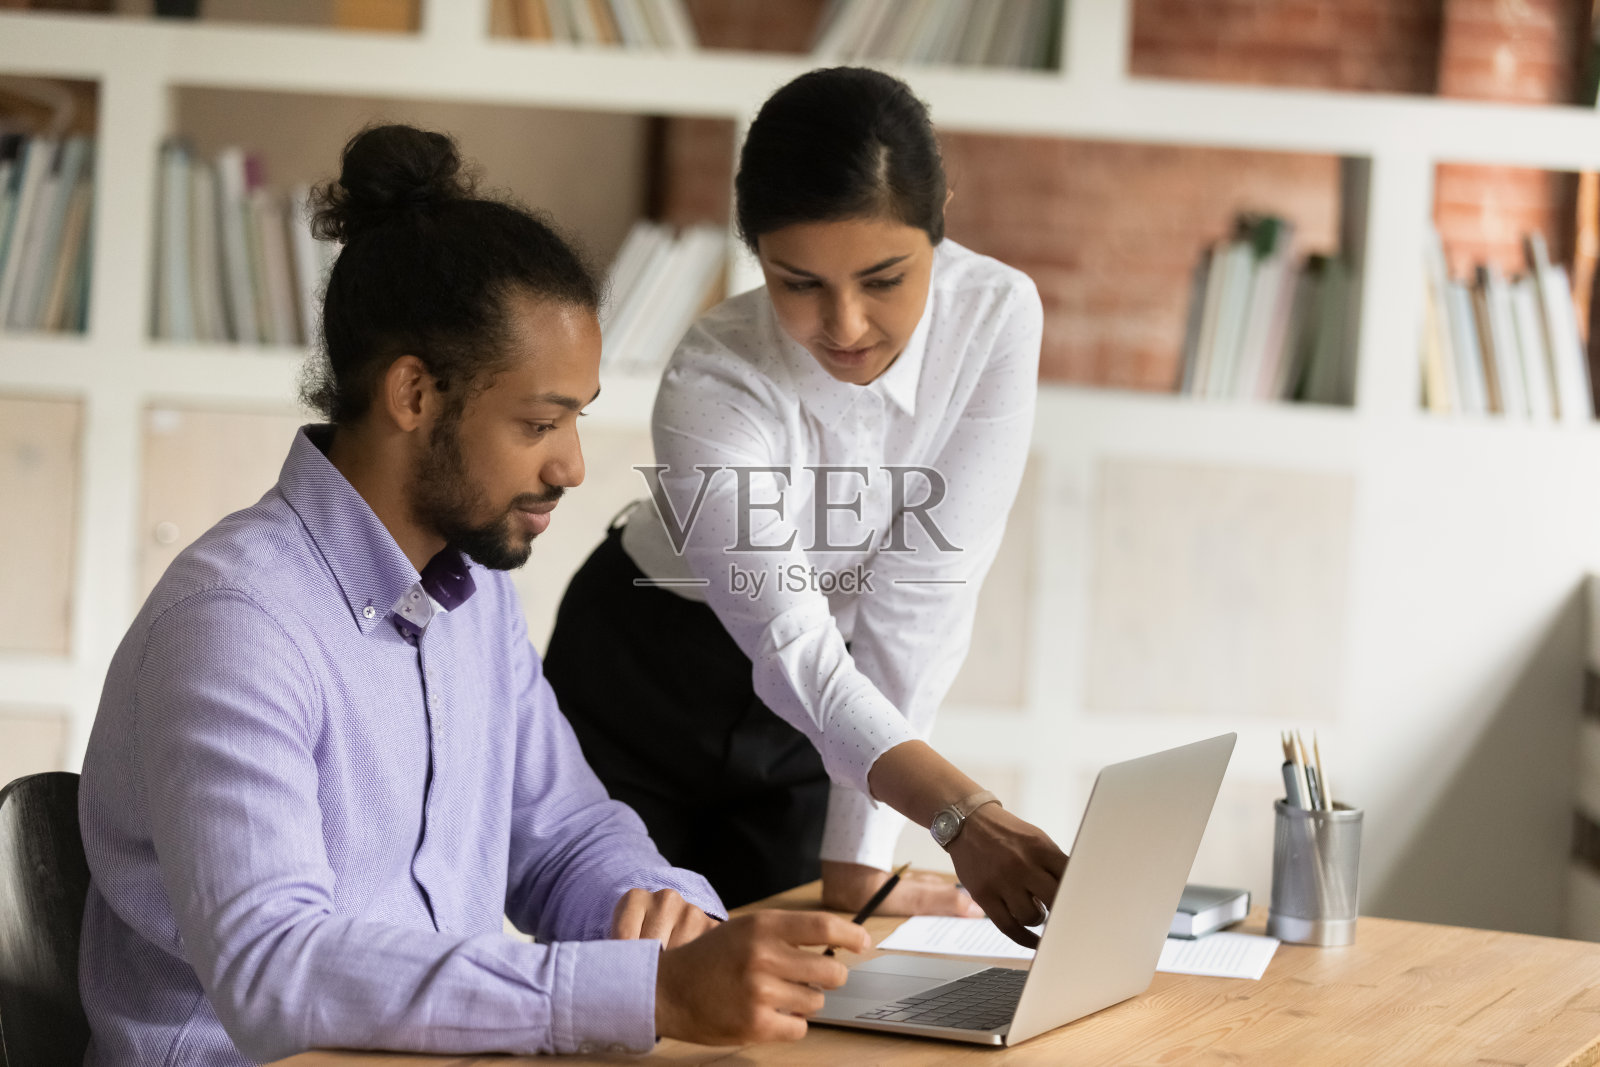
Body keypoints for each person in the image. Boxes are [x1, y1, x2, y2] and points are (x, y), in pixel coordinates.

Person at [75, 124, 869, 1067]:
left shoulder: (470, 594)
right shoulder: (235, 627)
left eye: (576, 417)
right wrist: (641, 992)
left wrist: (658, 911)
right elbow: (274, 971)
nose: (572, 464)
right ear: (413, 394)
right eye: (539, 421)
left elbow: (564, 833)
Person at [543, 67, 1067, 943]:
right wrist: (961, 813)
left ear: (941, 223)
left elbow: (922, 605)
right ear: (756, 255)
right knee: (638, 982)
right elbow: (785, 637)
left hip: (825, 709)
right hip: (644, 678)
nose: (847, 324)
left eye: (885, 278)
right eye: (799, 283)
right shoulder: (713, 378)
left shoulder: (996, 319)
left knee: (805, 984)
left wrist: (861, 872)